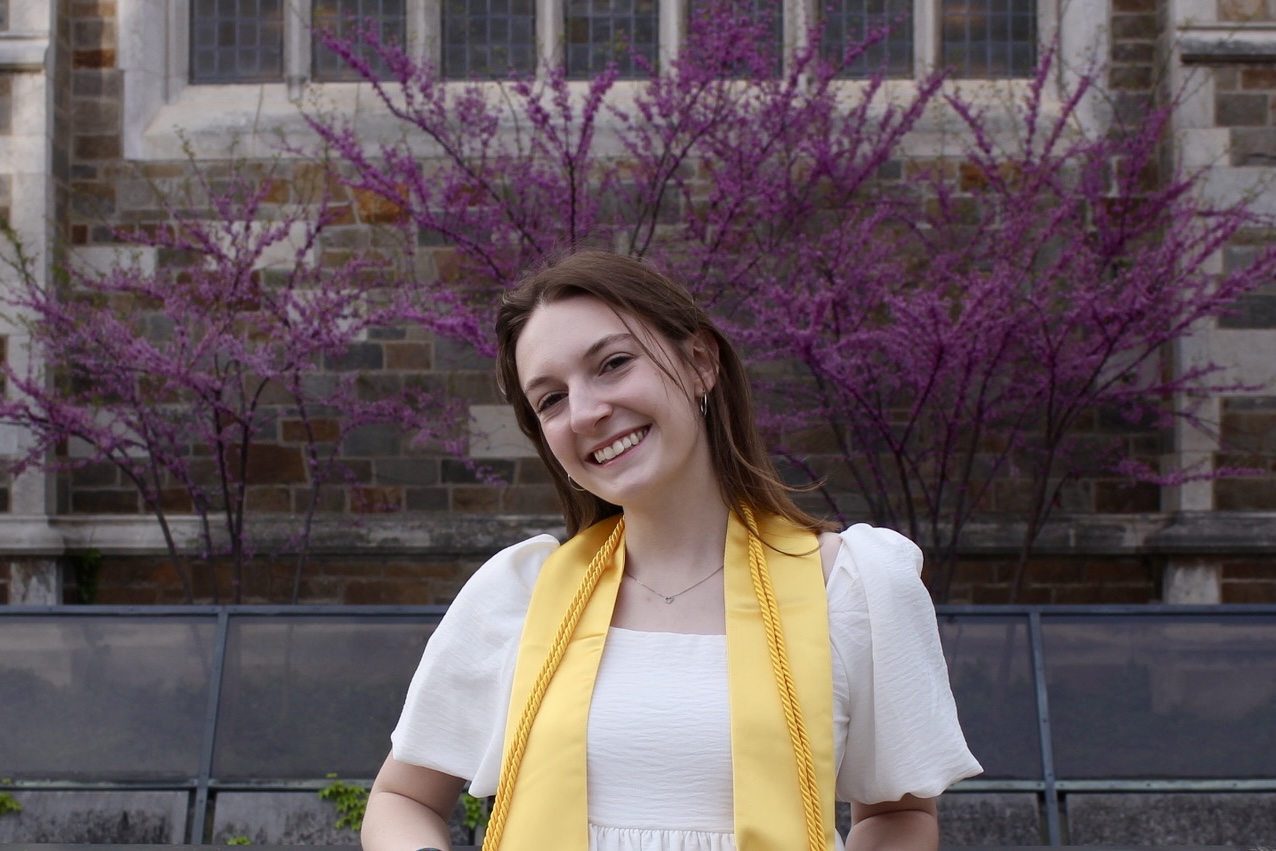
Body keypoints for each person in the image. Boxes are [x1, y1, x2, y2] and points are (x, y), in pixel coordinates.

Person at [361, 250, 982, 851]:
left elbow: (897, 815)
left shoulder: (851, 587)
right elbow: (403, 799)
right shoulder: (518, 597)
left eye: (613, 363)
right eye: (550, 399)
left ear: (699, 363)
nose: (585, 412)